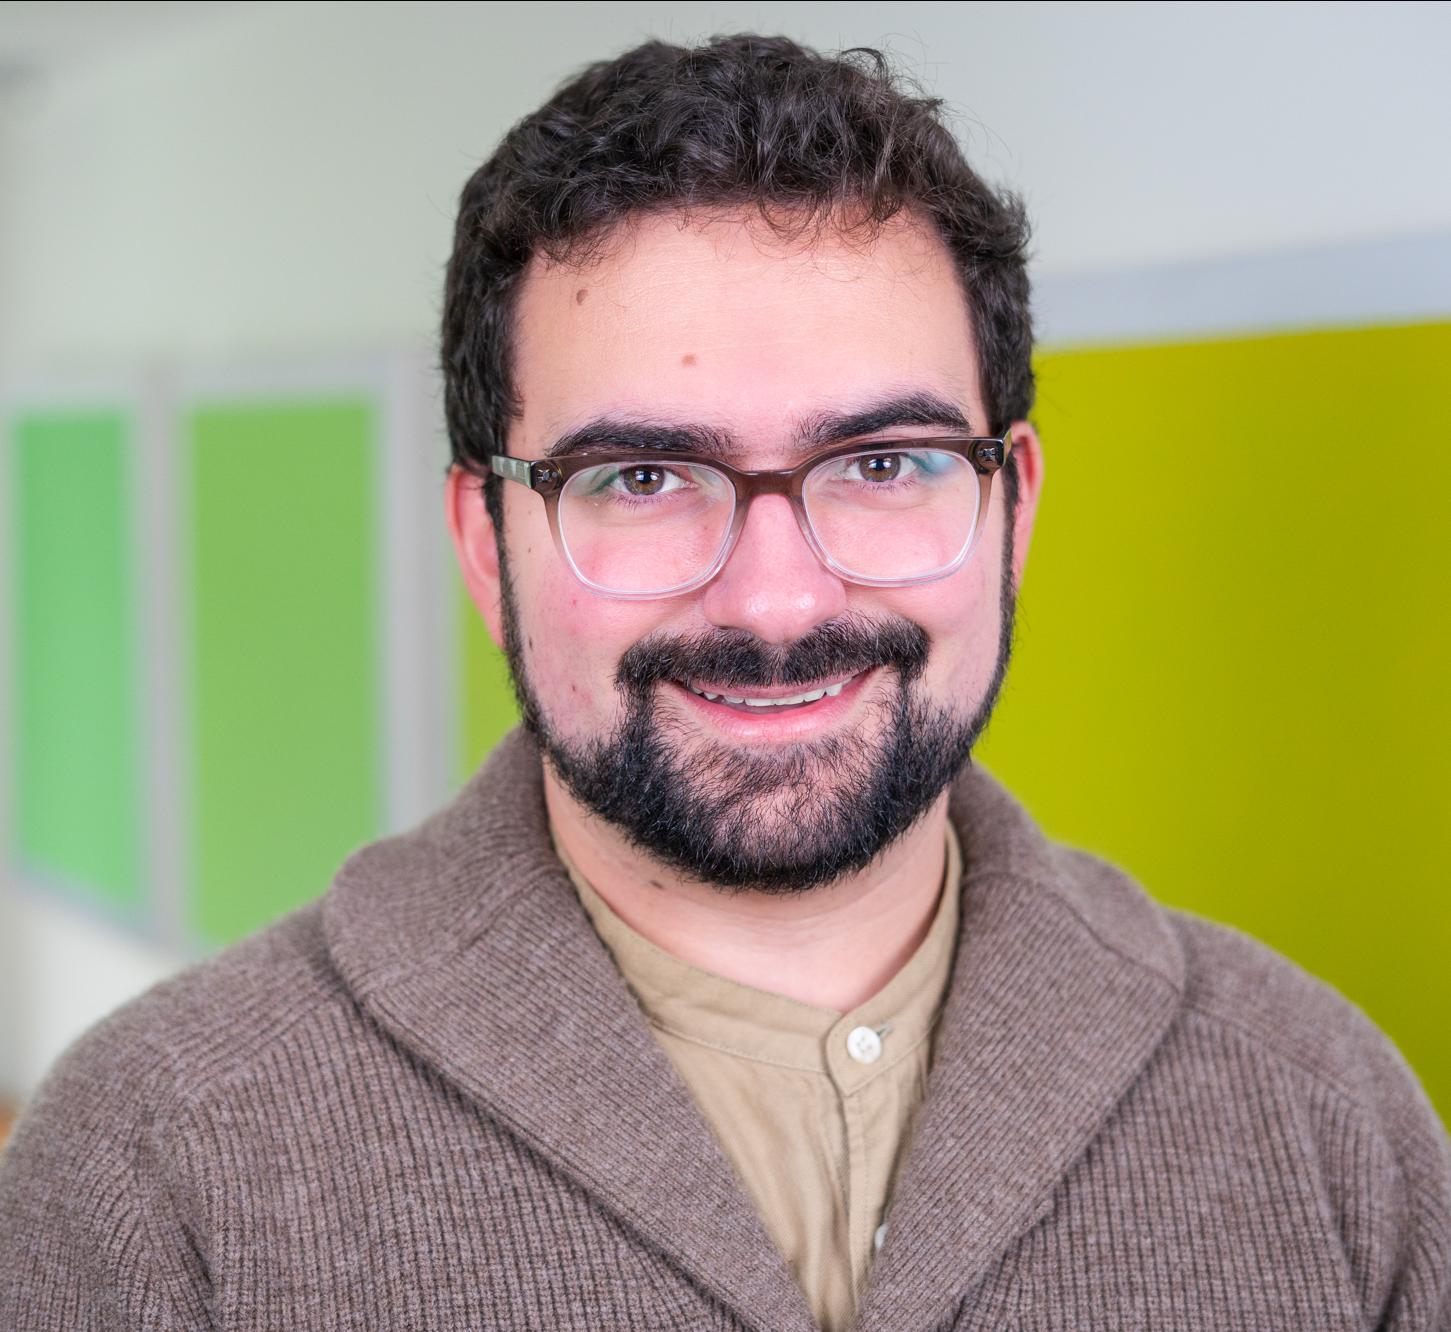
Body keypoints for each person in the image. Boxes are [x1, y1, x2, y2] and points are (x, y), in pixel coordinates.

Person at [2, 33, 1448, 1332]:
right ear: (483, 542)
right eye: (642, 475)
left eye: (882, 464)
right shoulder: (152, 1170)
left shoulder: (1331, 1125)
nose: (774, 599)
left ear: (1012, 507)